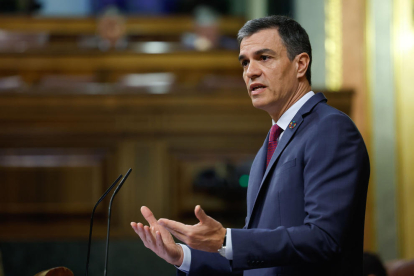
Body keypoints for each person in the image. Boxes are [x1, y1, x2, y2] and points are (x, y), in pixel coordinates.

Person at [131, 15, 370, 276]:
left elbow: (325, 238)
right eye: (245, 62)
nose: (250, 71)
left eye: (264, 58)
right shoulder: (268, 148)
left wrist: (226, 239)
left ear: (300, 64)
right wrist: (182, 256)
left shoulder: (330, 128)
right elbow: (255, 259)